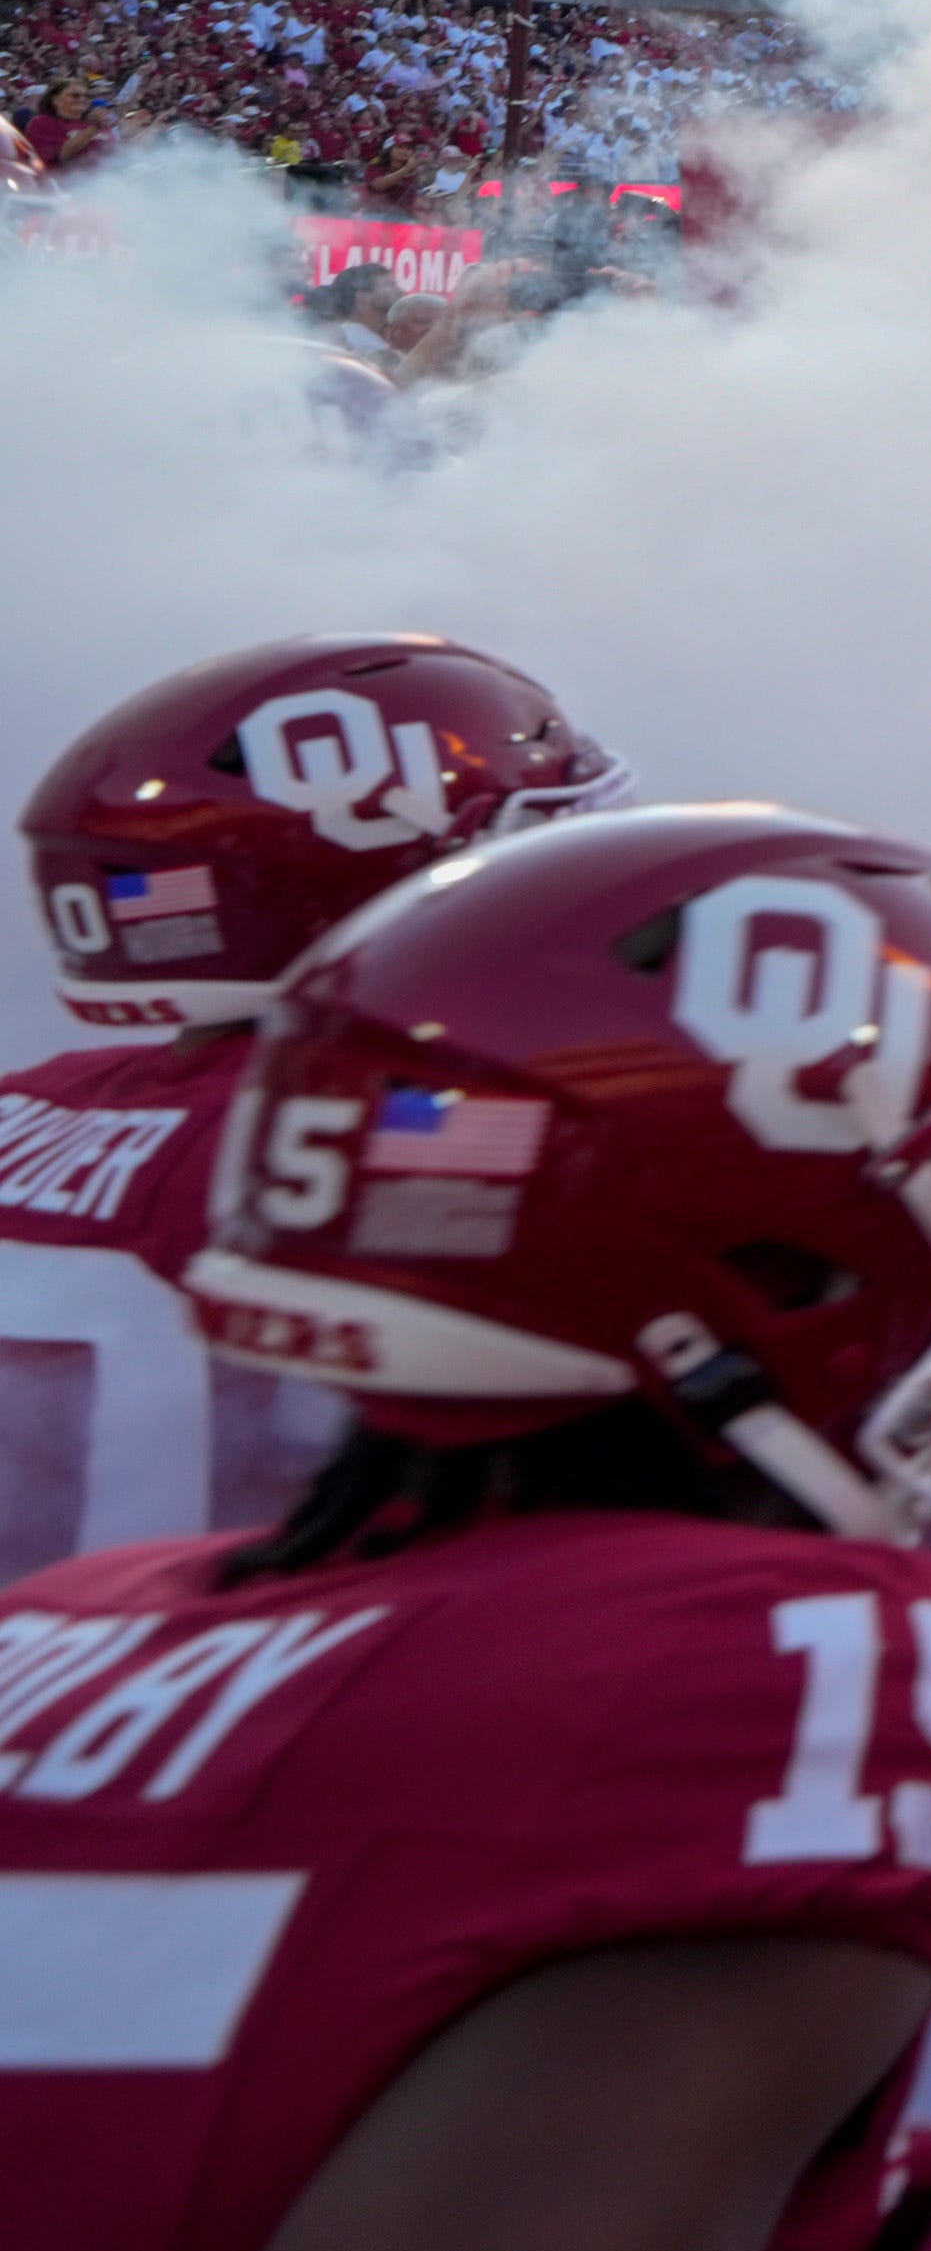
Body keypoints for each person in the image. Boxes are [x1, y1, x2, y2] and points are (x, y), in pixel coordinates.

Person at [0, 804, 931, 2251]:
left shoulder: (65, 1620)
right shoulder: (790, 1676)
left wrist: (695, 2175)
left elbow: (190, 2112)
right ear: (755, 1255)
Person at [3, 634, 622, 1577]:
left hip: (63, 1677)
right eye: (538, 848)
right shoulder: (425, 1139)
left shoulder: (26, 1107)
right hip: (238, 1677)